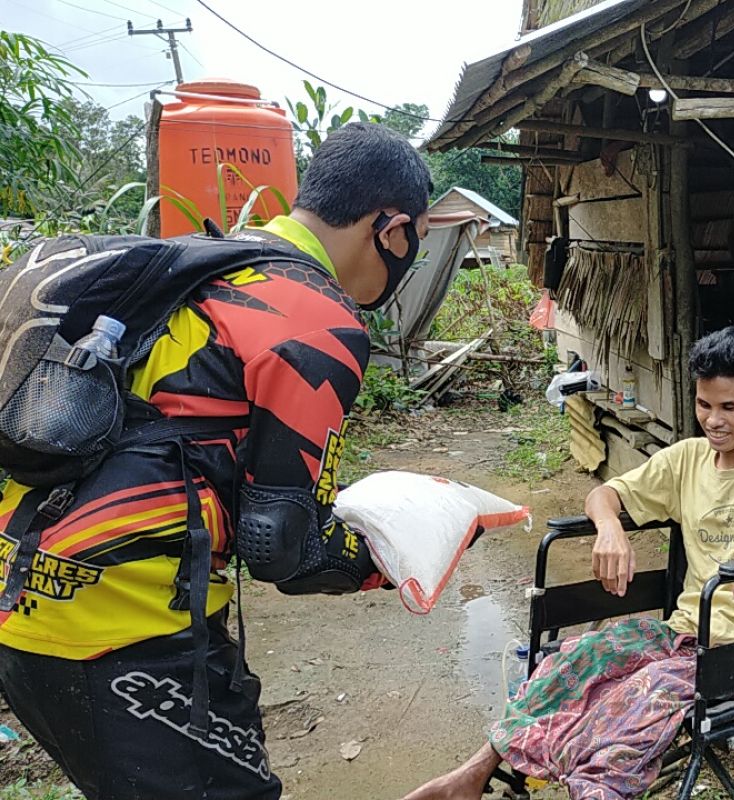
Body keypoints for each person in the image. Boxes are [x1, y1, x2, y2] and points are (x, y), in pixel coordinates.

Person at [0, 122, 431, 799]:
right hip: (132, 639)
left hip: (25, 603)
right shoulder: (317, 317)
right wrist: (395, 555)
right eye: (417, 242)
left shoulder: (205, 263)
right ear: (394, 230)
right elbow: (283, 550)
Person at [405, 327, 734, 800]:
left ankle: (593, 786)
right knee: (574, 660)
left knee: (634, 697)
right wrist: (611, 528)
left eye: (729, 407)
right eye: (704, 405)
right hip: (682, 633)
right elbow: (604, 493)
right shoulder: (685, 460)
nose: (713, 420)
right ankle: (471, 775)